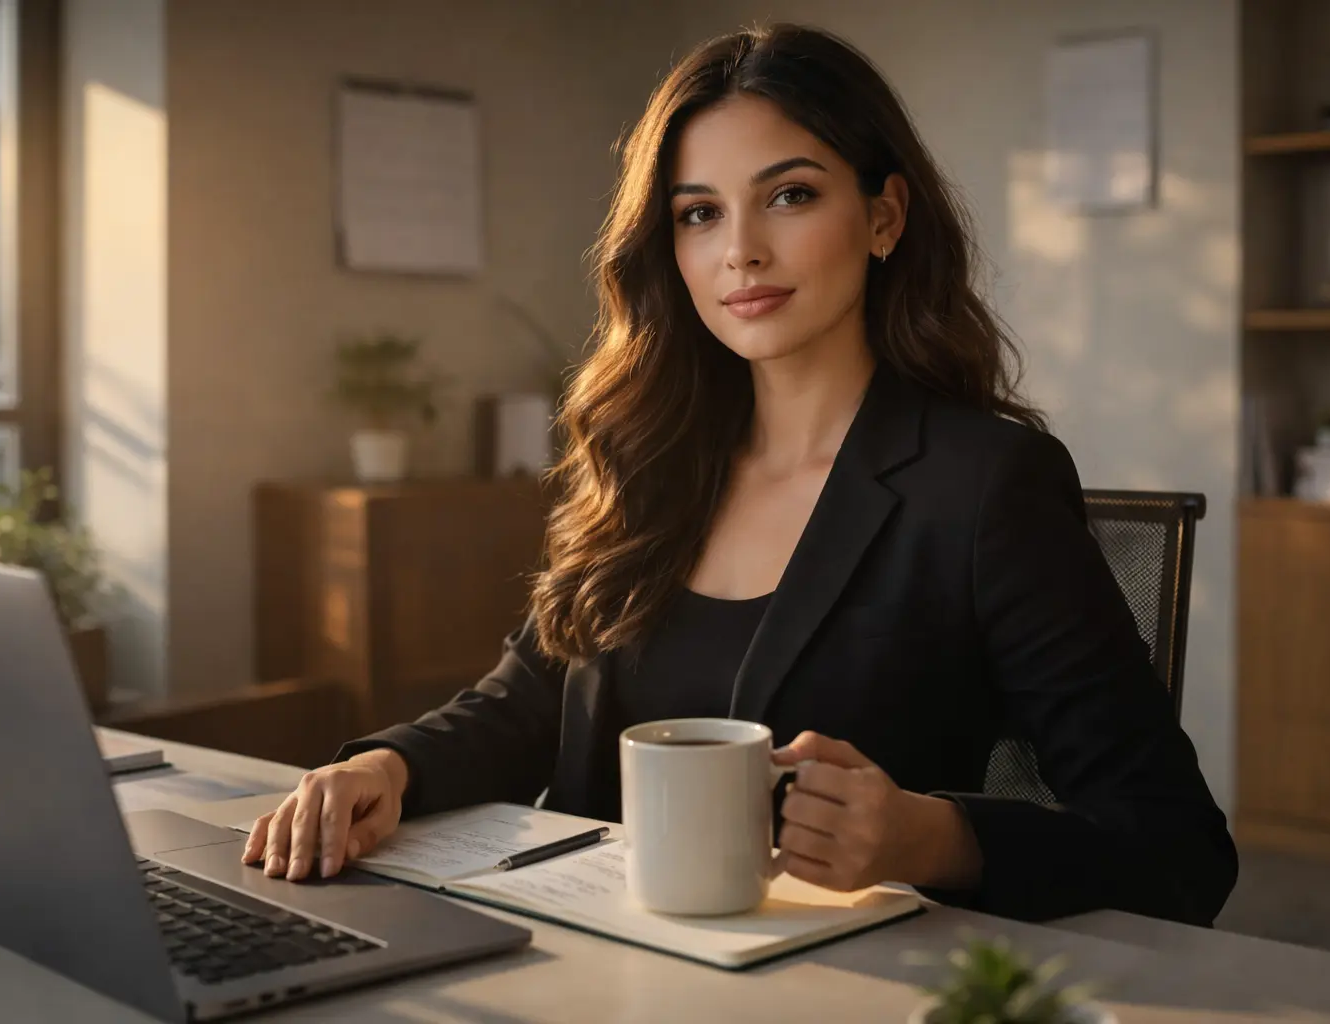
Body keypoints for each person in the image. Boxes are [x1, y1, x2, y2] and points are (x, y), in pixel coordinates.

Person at [243, 23, 1237, 925]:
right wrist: (387, 766)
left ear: (884, 215)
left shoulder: (986, 485)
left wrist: (933, 836)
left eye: (791, 195)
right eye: (699, 214)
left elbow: (1177, 846)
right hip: (585, 970)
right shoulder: (651, 458)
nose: (742, 251)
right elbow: (531, 700)